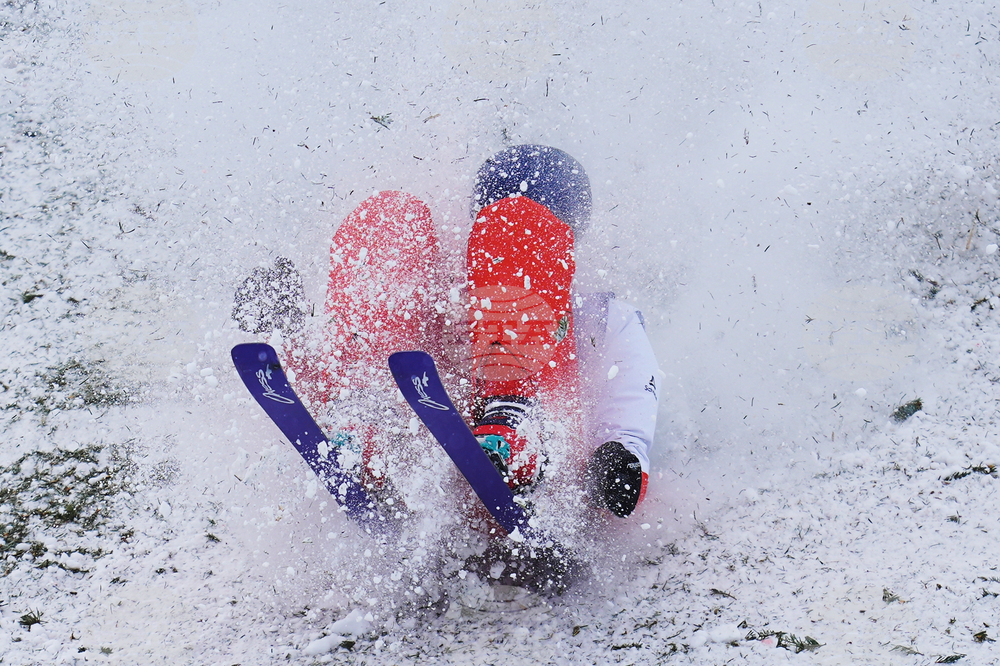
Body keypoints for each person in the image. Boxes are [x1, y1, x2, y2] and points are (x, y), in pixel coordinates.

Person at [233, 145, 660, 520]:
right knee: (392, 220)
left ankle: (515, 416)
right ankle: (363, 415)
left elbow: (633, 396)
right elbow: (376, 349)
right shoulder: (444, 295)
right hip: (417, 455)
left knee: (516, 226)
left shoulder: (599, 316)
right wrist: (288, 338)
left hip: (543, 463)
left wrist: (619, 460)